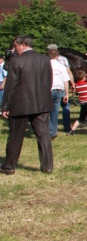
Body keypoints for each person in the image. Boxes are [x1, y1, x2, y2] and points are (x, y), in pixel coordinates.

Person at [1, 35, 54, 175]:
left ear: (23, 44)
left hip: (20, 103)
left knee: (16, 136)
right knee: (43, 135)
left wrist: (5, 106)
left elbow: (11, 85)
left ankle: (9, 166)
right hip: (42, 102)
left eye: (15, 46)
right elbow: (49, 80)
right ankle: (47, 166)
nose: (14, 49)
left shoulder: (17, 60)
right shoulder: (45, 59)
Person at [47, 44, 73, 133]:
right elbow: (66, 80)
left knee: (46, 111)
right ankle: (54, 131)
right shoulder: (61, 66)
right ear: (57, 56)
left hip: (48, 90)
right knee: (55, 112)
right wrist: (67, 94)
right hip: (59, 90)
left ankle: (49, 129)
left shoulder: (45, 65)